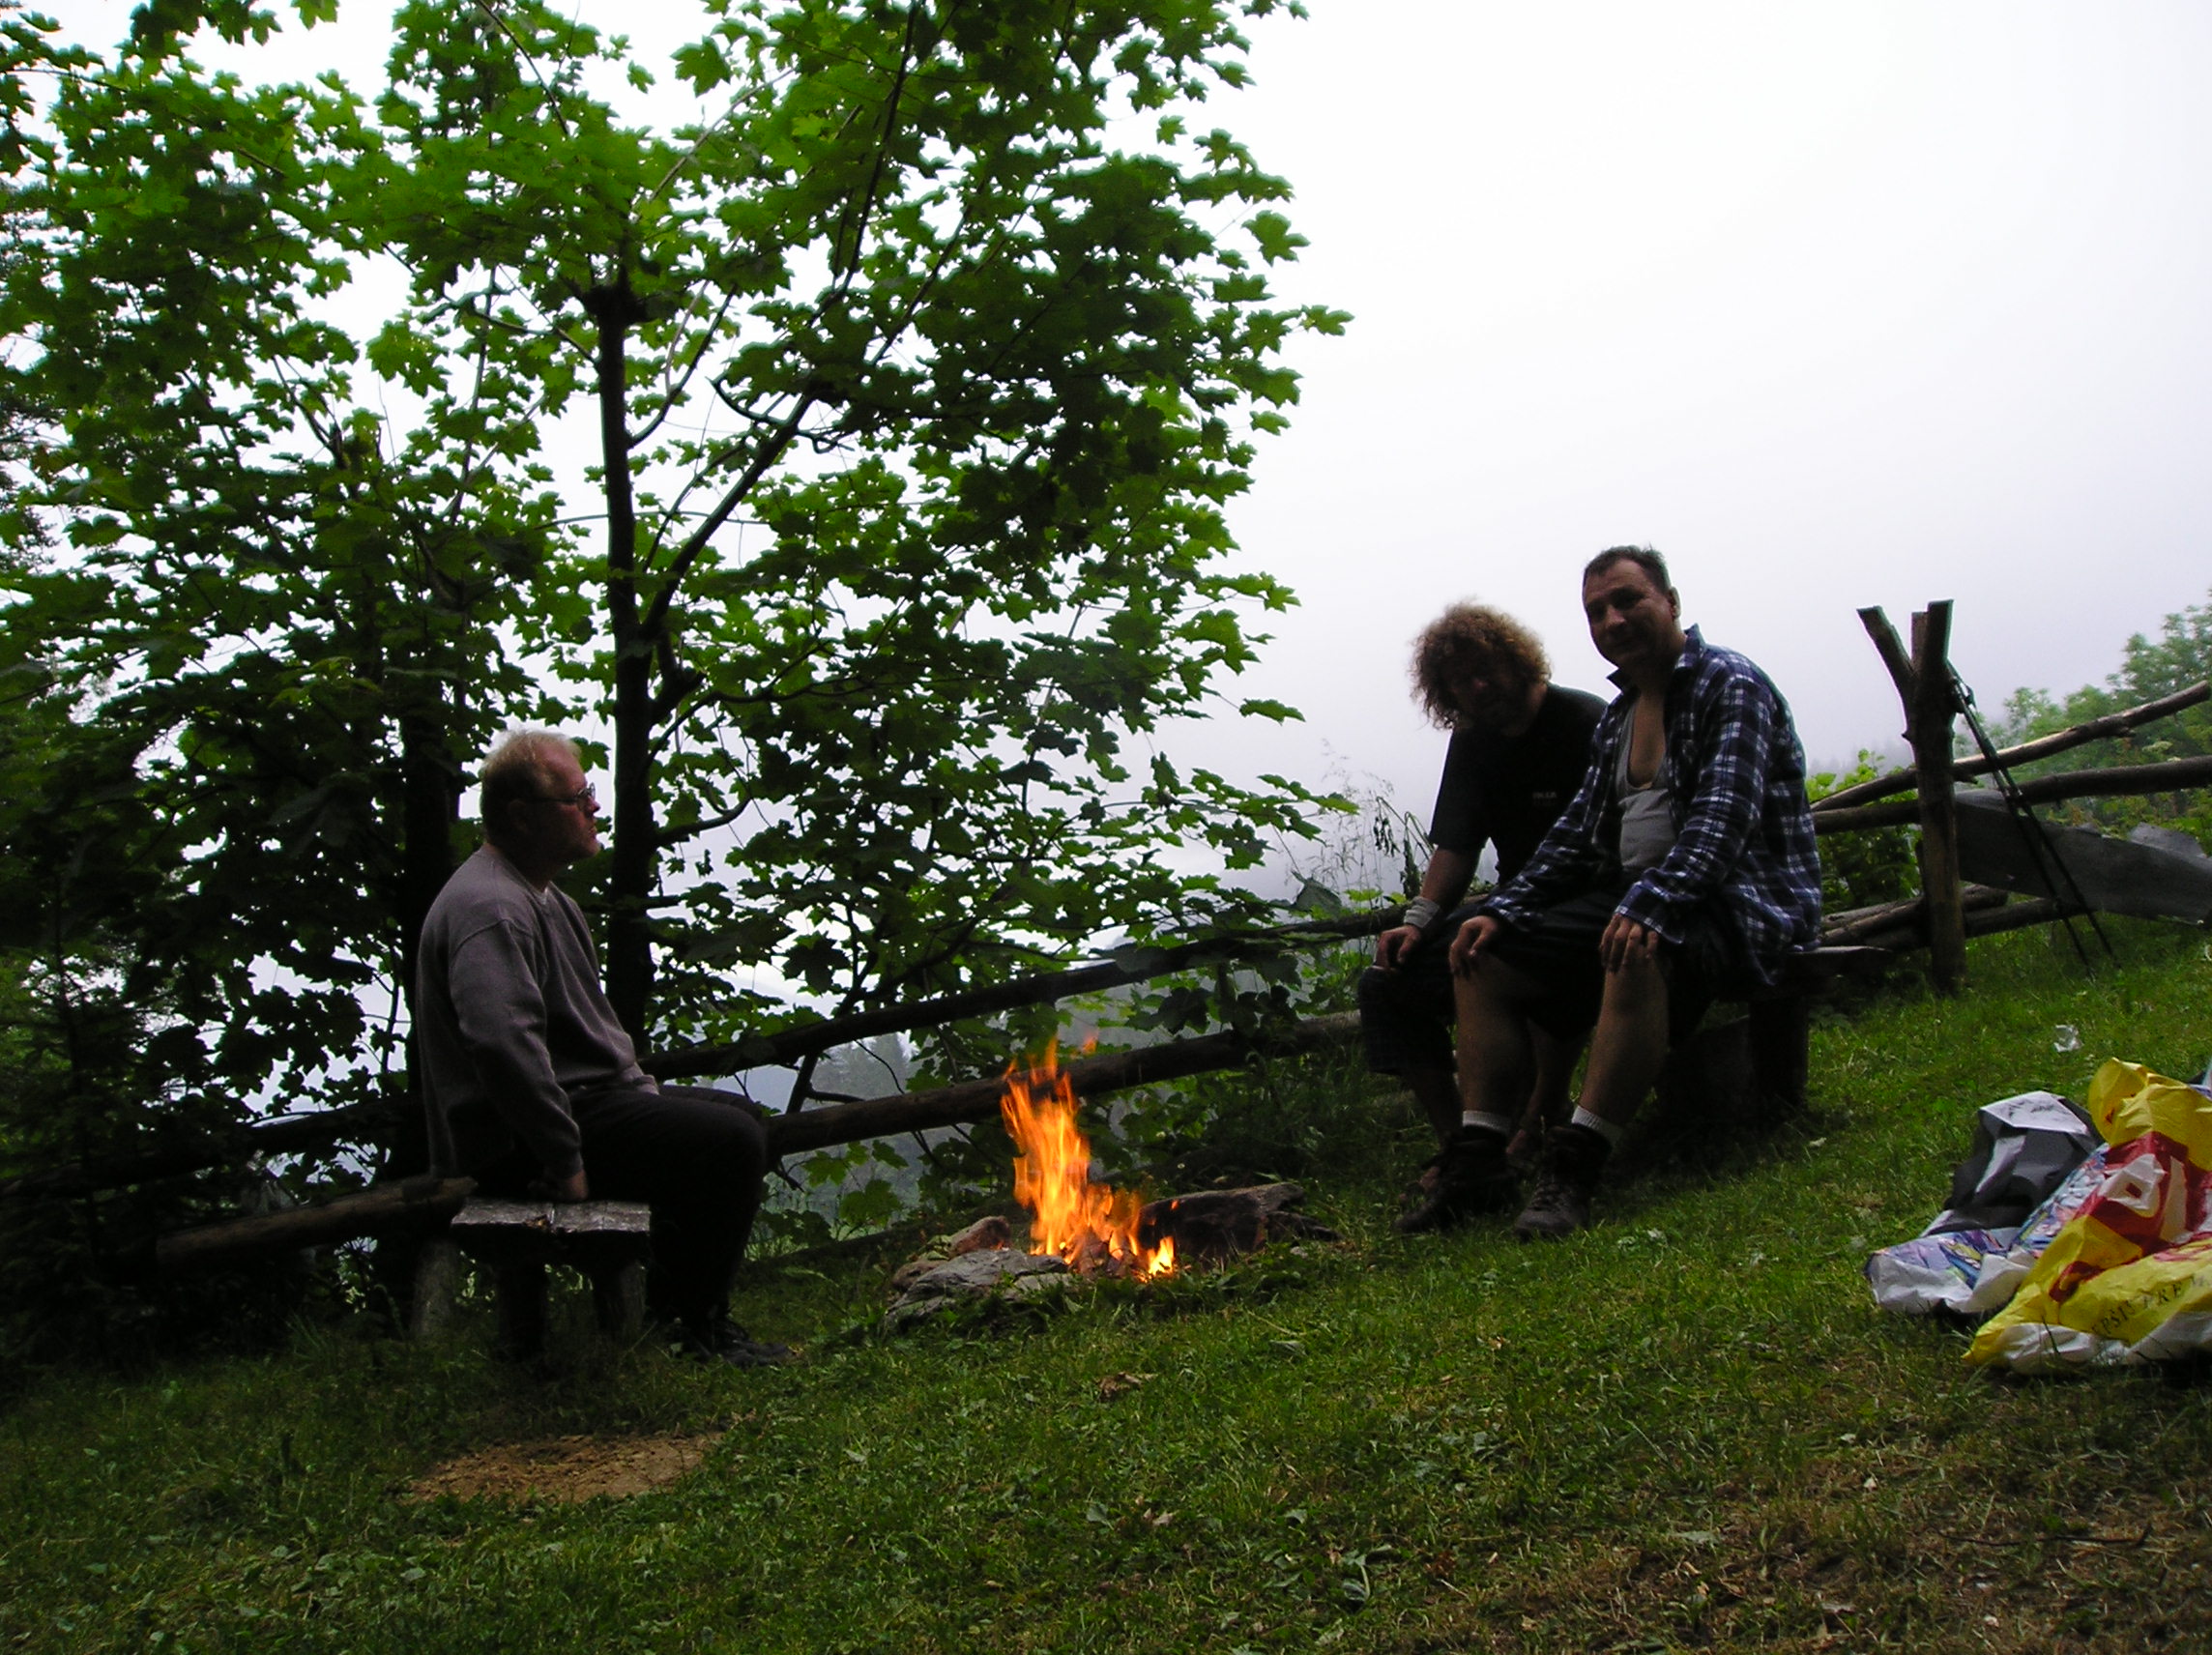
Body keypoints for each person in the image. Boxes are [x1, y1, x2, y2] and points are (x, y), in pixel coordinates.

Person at [1435, 547, 1821, 1240]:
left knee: (1636, 941)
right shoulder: (1621, 716)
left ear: (1670, 602)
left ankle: (1575, 1165)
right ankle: (1478, 1164)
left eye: (1628, 600)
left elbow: (1721, 824)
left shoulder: (1730, 684)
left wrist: (1648, 903)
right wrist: (1500, 909)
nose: (1612, 621)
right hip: (1648, 897)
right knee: (1482, 953)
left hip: (1743, 904)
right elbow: (1577, 835)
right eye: (1596, 612)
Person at [417, 729, 788, 1365]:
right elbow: (503, 1048)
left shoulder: (545, 897)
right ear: (521, 816)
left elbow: (579, 1039)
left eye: (590, 792)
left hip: (574, 1109)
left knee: (745, 1121)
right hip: (516, 1142)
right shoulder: (492, 906)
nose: (594, 806)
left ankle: (679, 1313)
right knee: (730, 1142)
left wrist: (637, 1094)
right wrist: (563, 1159)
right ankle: (692, 1331)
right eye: (576, 797)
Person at [1357, 605, 1605, 1234]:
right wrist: (1417, 923)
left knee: (1509, 959)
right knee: (1388, 982)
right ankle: (1465, 1152)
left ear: (1516, 659)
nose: (1478, 686)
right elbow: (1457, 845)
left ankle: (1533, 1126)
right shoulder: (1473, 741)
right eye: (1459, 681)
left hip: (1587, 905)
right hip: (1508, 905)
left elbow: (1608, 846)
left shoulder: (1584, 722)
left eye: (1485, 669)